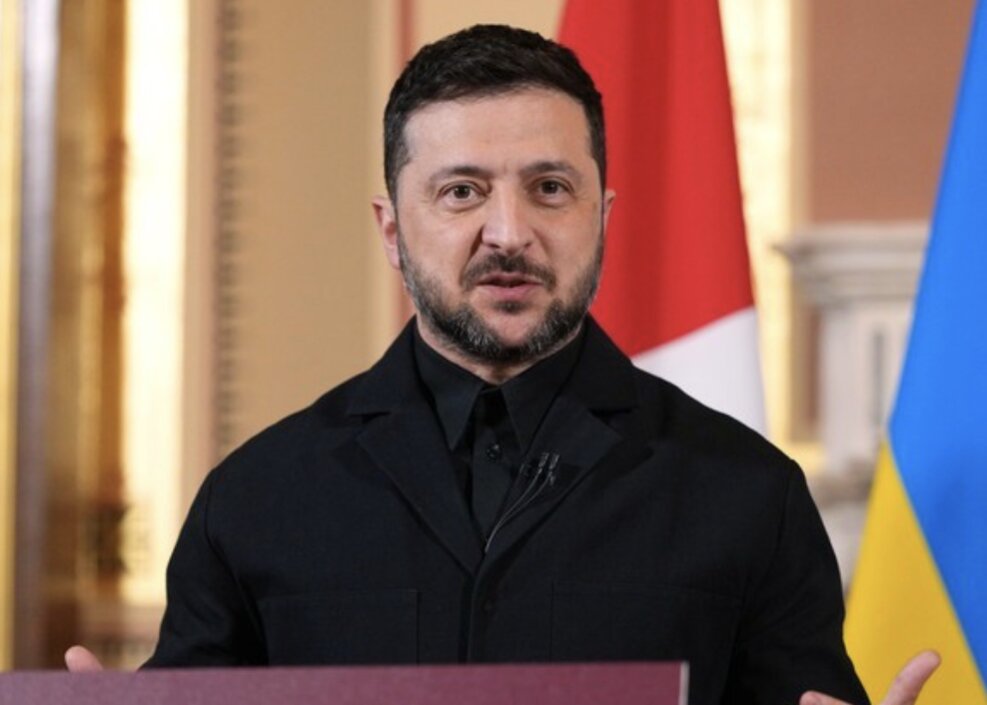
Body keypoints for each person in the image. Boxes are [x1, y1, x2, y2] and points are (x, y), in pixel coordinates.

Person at [66, 24, 939, 705]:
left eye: (549, 188)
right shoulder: (257, 496)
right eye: (462, 191)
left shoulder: (747, 492)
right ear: (390, 229)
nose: (509, 233)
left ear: (603, 216)